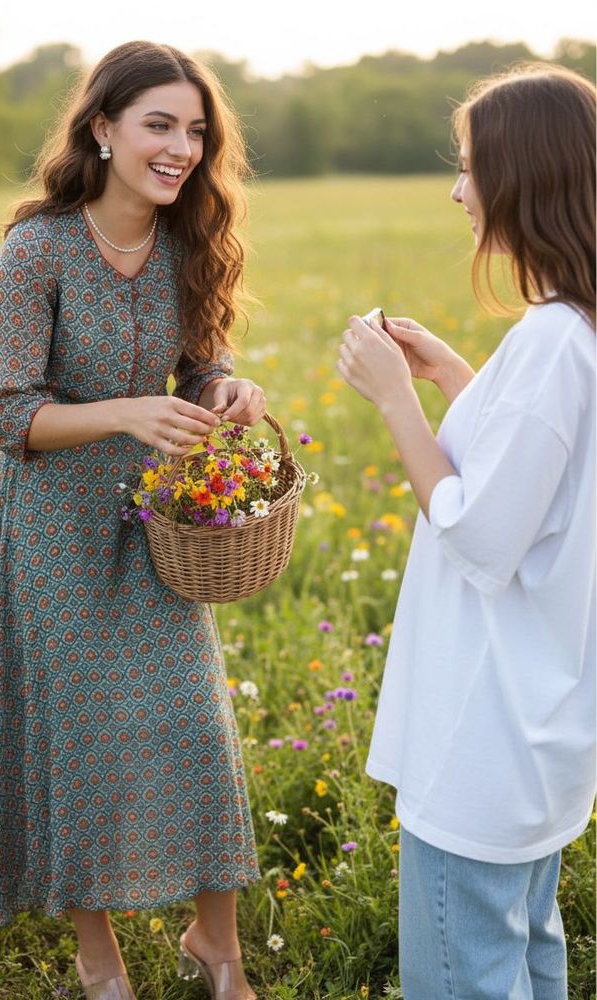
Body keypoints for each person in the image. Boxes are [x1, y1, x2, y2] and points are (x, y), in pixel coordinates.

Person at [0, 40, 265, 1000]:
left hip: (157, 520)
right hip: (49, 526)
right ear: (102, 128)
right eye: (159, 125)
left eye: (195, 131)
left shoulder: (187, 243)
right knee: (81, 738)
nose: (180, 148)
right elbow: (12, 415)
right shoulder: (37, 247)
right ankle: (100, 962)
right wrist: (129, 412)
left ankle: (219, 949)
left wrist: (227, 389)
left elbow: (197, 372)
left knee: (194, 726)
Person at [337, 63, 595, 1000]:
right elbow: (543, 479)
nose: (457, 189)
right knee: (529, 958)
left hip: (485, 742)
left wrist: (395, 399)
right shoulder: (575, 334)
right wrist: (455, 376)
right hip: (541, 738)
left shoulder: (553, 344)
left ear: (523, 176)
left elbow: (483, 538)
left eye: (469, 166)